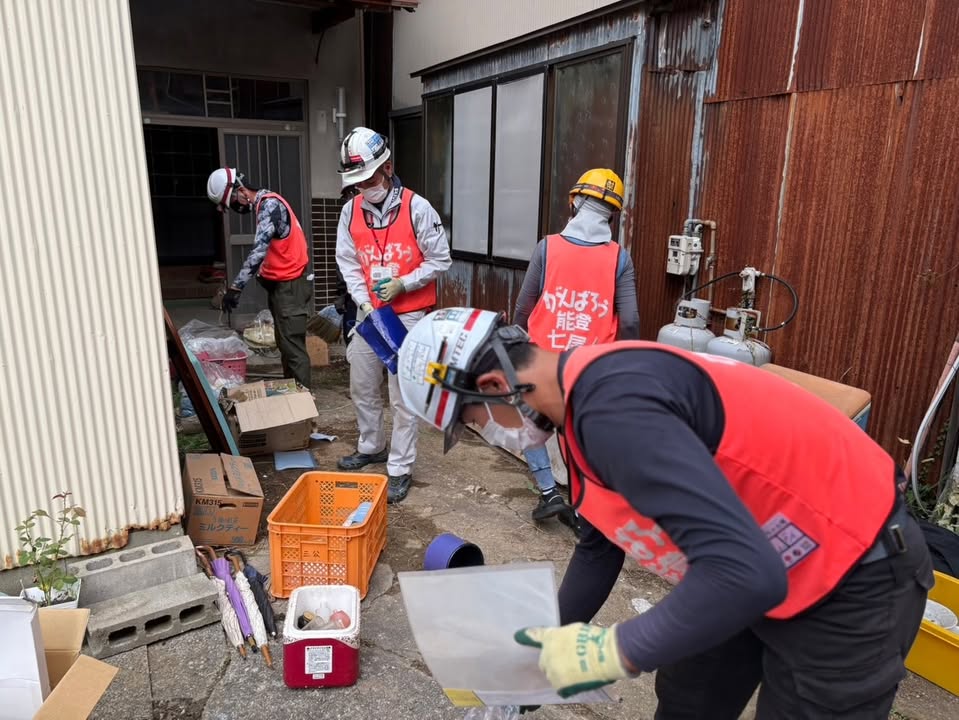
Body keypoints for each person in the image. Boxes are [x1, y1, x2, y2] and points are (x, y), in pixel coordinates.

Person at [395, 307, 933, 719]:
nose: (487, 433)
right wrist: (537, 664)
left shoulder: (613, 410)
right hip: (751, 557)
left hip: (851, 573)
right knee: (689, 696)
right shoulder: (576, 413)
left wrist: (610, 651)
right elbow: (599, 549)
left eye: (473, 420)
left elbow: (748, 574)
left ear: (494, 387)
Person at [513, 168, 639, 525]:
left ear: (574, 203)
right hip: (590, 367)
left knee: (529, 422)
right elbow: (630, 321)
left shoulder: (548, 247)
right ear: (612, 214)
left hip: (542, 361)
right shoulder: (619, 258)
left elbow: (524, 306)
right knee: (581, 438)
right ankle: (584, 513)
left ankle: (549, 494)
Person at [334, 127, 451, 504]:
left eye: (368, 179)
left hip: (410, 315)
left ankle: (400, 467)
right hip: (370, 315)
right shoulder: (350, 211)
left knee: (402, 397)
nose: (363, 187)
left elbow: (441, 259)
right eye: (357, 182)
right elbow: (348, 263)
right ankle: (371, 446)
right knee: (362, 385)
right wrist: (363, 301)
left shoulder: (418, 208)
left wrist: (405, 283)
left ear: (387, 168)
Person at [206, 167, 312, 390]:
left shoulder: (269, 205)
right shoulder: (265, 206)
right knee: (285, 344)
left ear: (241, 190)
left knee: (292, 347)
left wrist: (236, 287)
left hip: (290, 286)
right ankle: (293, 394)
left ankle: (304, 398)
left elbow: (258, 251)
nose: (236, 208)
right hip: (283, 286)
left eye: (233, 202)